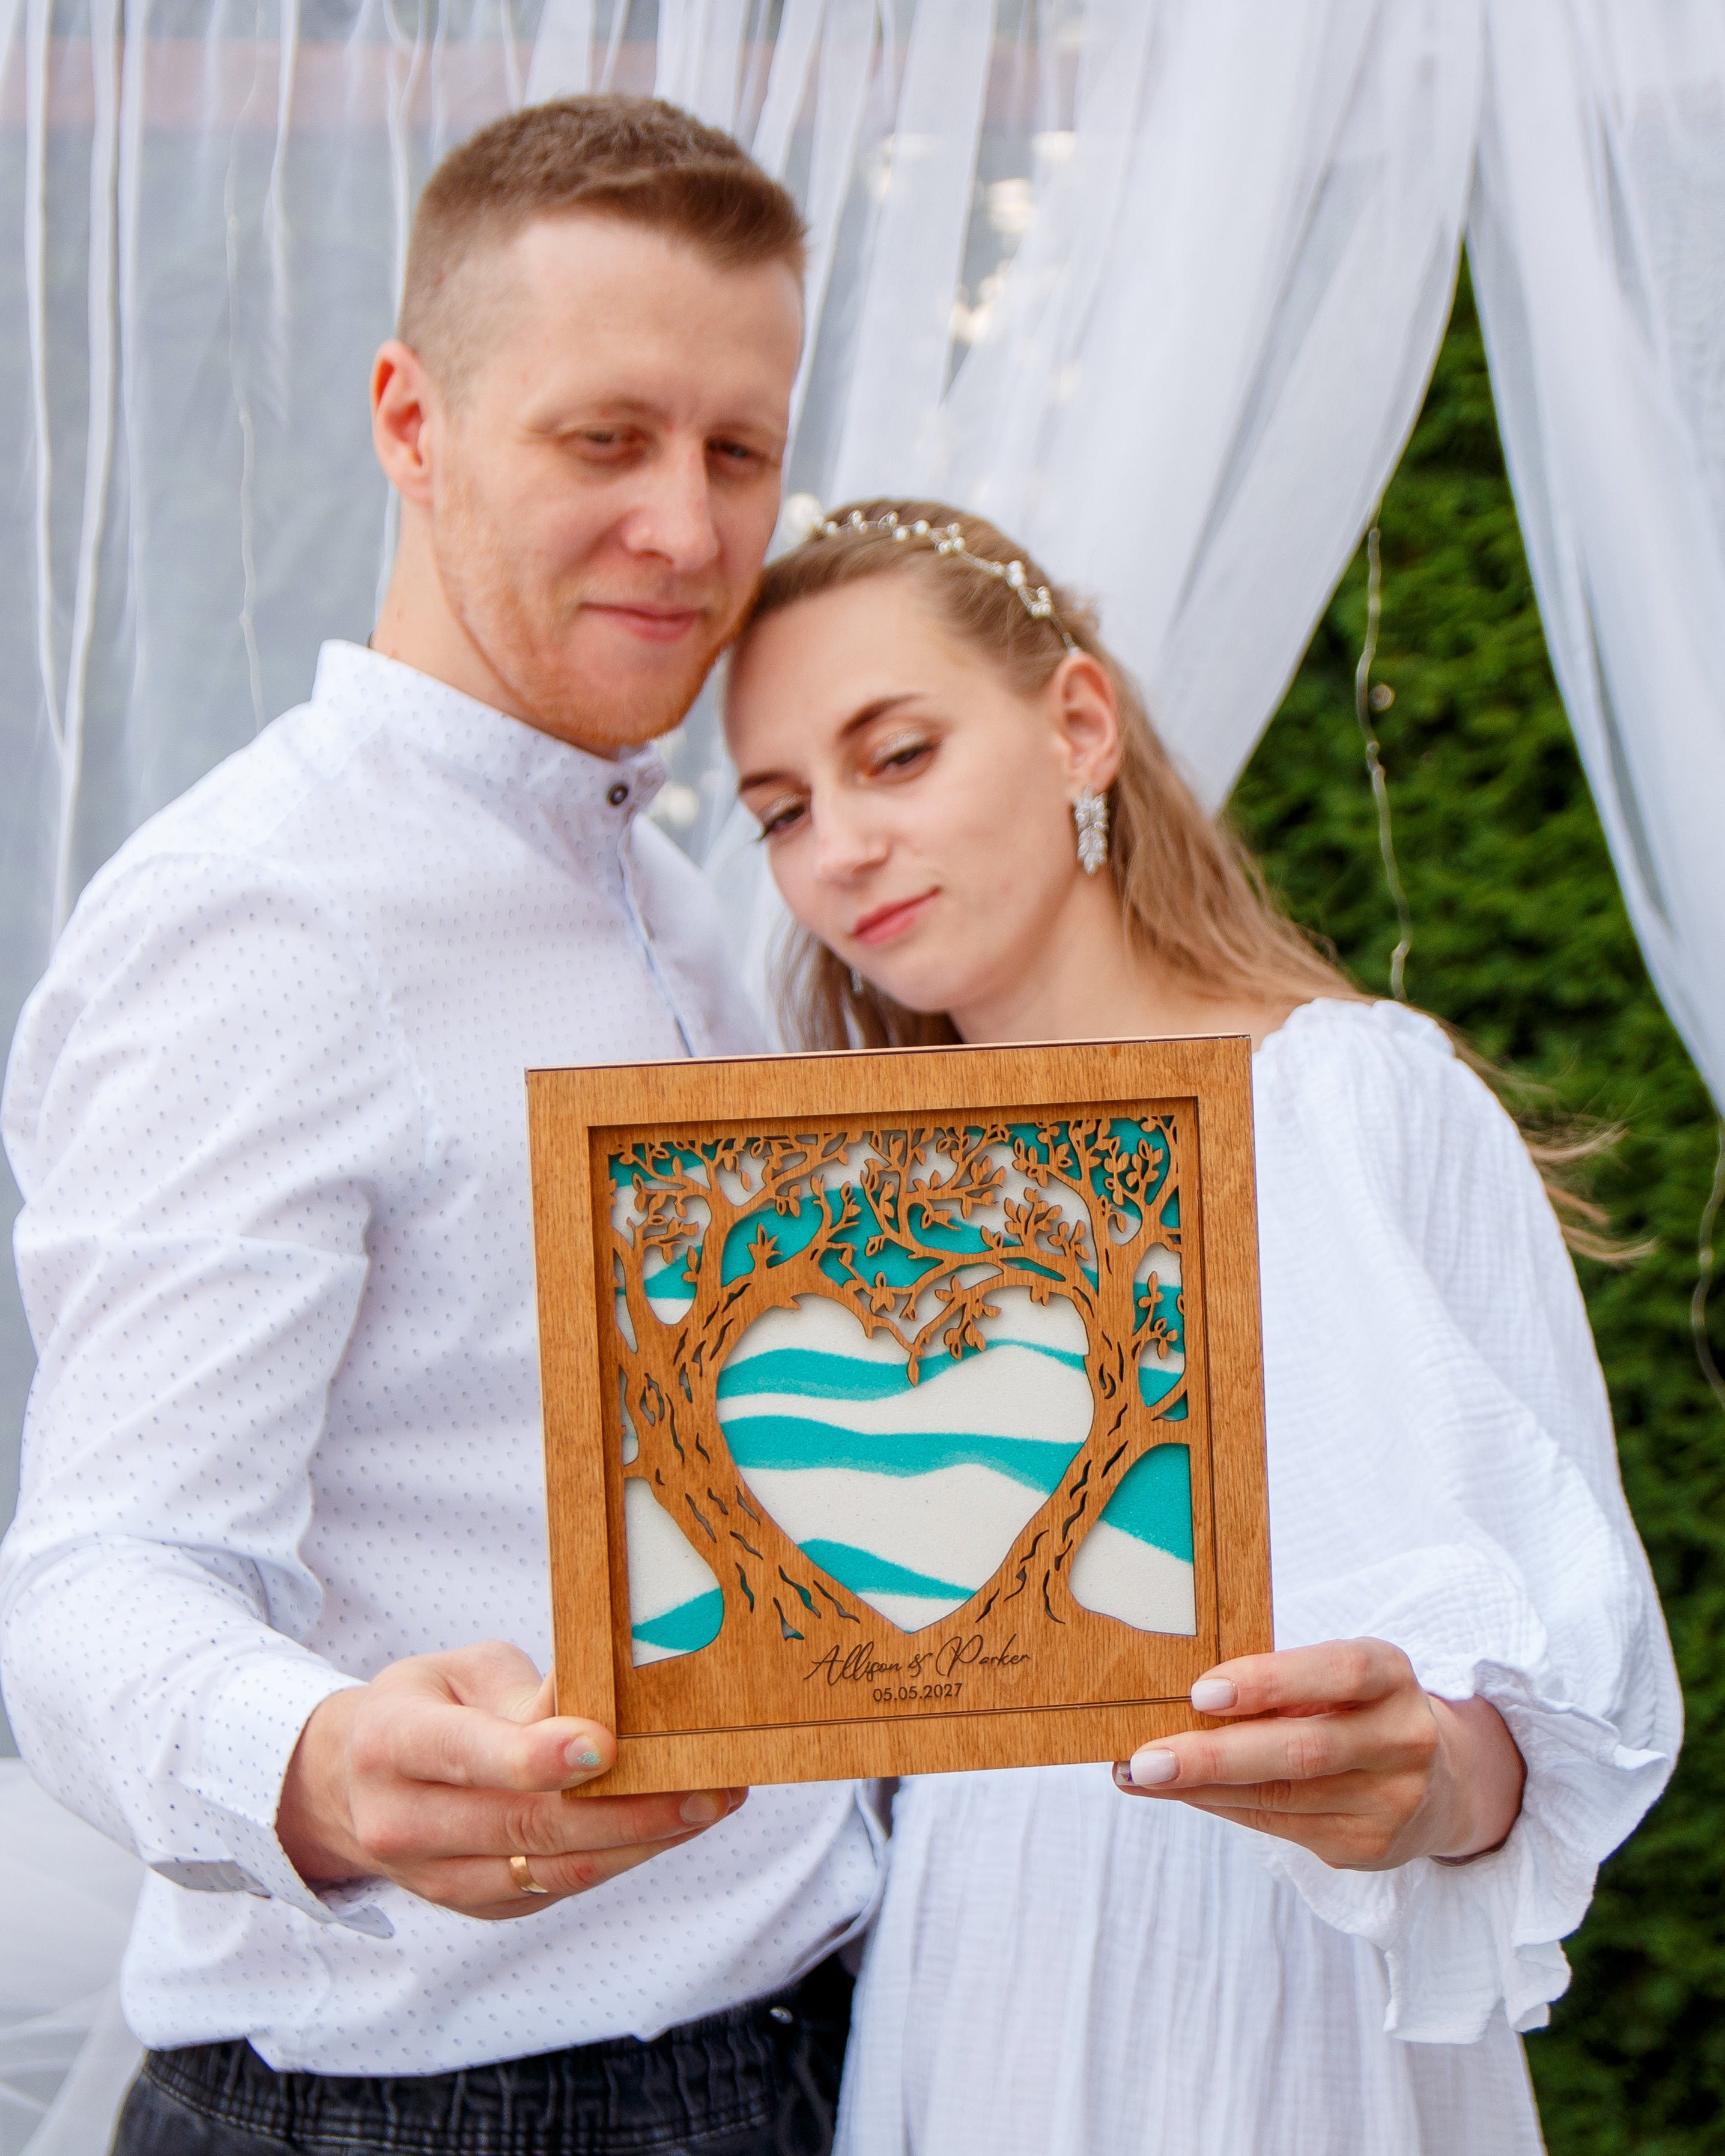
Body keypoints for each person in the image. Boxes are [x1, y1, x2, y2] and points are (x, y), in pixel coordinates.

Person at [0, 100, 879, 2156]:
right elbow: (96, 1577)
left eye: (738, 450)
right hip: (453, 2110)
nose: (689, 527)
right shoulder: (267, 912)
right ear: (411, 419)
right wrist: (315, 1762)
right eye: (606, 439)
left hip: (808, 2043)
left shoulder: (667, 888)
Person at [719, 498, 1683, 2155]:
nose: (841, 850)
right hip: (976, 1996)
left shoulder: (1357, 1102)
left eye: (896, 757)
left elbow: (1556, 1708)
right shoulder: (824, 1219)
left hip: (1287, 2006)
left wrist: (1425, 1784)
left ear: (1077, 724)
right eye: (784, 811)